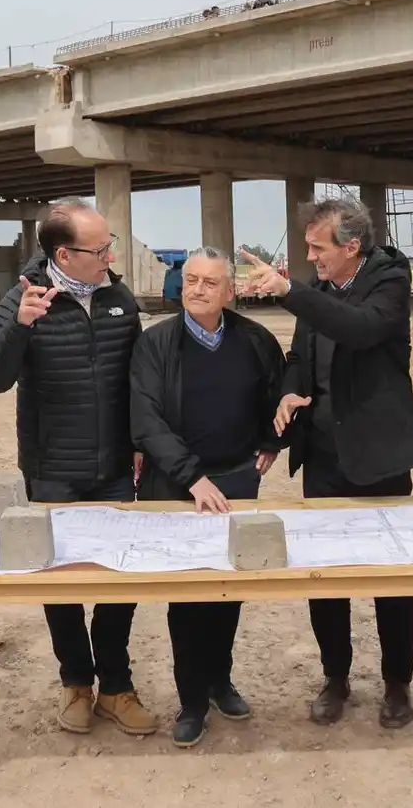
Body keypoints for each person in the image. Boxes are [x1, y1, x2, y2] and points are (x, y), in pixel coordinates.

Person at [0, 198, 156, 737]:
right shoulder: (24, 299)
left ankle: (117, 687)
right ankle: (76, 683)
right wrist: (22, 327)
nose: (109, 256)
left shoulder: (119, 297)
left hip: (118, 467)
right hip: (52, 469)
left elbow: (137, 379)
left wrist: (142, 441)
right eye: (98, 250)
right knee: (61, 582)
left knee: (120, 577)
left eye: (109, 246)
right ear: (62, 254)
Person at [241, 196, 413, 729]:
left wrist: (289, 291)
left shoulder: (389, 281)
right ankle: (336, 677)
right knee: (326, 575)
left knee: (390, 576)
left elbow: (361, 329)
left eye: (318, 248)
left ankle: (397, 684)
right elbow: (301, 355)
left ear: (352, 246)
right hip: (324, 454)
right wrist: (291, 392)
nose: (310, 258)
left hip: (379, 455)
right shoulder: (320, 290)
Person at [129, 247, 285, 749]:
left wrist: (271, 441)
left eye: (210, 282)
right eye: (190, 279)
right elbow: (146, 419)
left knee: (228, 591)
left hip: (237, 482)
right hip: (179, 487)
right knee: (188, 598)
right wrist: (191, 478)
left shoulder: (256, 340)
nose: (197, 289)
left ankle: (221, 681)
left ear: (229, 291)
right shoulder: (154, 344)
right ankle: (192, 700)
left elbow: (276, 395)